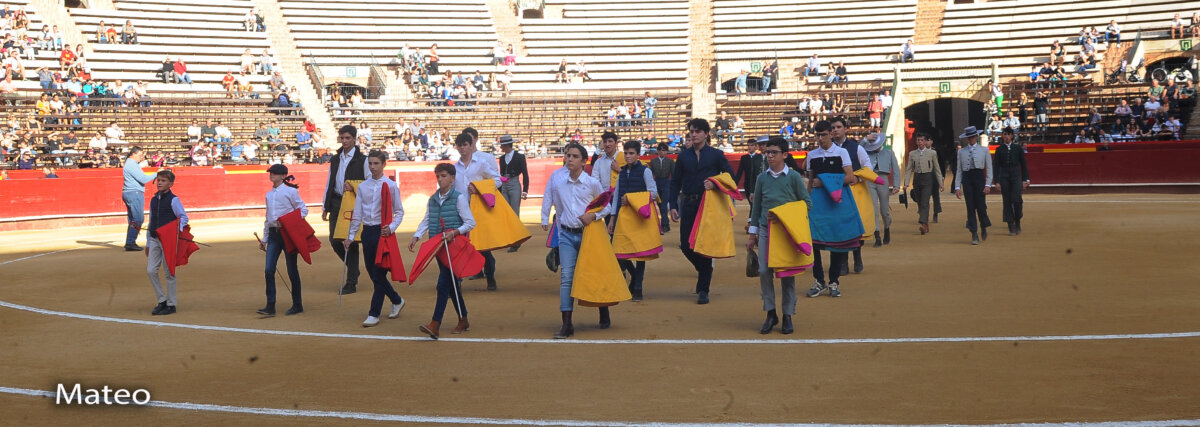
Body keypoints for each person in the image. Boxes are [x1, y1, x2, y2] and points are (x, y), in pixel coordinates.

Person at [541, 142, 609, 339]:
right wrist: (560, 234)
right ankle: (567, 324)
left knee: (594, 274)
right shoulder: (560, 184)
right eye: (567, 155)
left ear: (583, 161)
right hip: (568, 236)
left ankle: (603, 309)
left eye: (574, 156)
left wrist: (594, 217)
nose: (569, 159)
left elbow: (606, 206)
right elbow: (560, 212)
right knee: (566, 278)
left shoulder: (592, 183)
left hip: (589, 235)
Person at [747, 137, 810, 334]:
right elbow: (756, 208)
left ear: (784, 155)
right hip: (766, 229)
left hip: (786, 232)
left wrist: (784, 215)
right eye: (768, 152)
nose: (770, 156)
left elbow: (807, 204)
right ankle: (770, 312)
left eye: (774, 152)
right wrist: (752, 234)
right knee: (764, 271)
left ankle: (788, 314)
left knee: (786, 274)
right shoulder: (762, 178)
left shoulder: (793, 177)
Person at [668, 118, 733, 304]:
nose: (693, 134)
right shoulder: (683, 156)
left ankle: (703, 289)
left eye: (697, 131)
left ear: (706, 134)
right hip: (688, 203)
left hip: (708, 206)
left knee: (703, 246)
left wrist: (715, 182)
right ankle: (705, 271)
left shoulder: (716, 155)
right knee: (686, 245)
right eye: (691, 131)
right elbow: (675, 182)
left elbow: (731, 176)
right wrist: (673, 205)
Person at [412, 163, 476, 339]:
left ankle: (435, 324)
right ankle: (463, 319)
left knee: (443, 285)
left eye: (444, 176)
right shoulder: (433, 199)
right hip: (439, 248)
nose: (440, 179)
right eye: (438, 176)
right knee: (452, 285)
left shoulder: (459, 198)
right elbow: (427, 220)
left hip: (454, 248)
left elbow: (470, 222)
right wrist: (417, 236)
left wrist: (454, 233)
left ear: (452, 178)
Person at [346, 150, 407, 327]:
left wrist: (392, 227)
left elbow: (399, 211)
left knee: (379, 272)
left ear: (383, 164)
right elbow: (357, 213)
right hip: (367, 232)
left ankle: (374, 313)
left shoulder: (391, 185)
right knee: (373, 273)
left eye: (376, 164)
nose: (372, 167)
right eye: (370, 164)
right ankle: (396, 300)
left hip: (383, 233)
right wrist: (351, 236)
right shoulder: (364, 186)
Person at [804, 121, 860, 298]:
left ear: (831, 134)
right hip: (818, 203)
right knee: (814, 243)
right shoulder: (812, 155)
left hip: (837, 202)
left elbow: (850, 177)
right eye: (817, 135)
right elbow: (811, 181)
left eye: (823, 135)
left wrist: (825, 181)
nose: (820, 139)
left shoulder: (841, 152)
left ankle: (834, 281)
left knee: (837, 242)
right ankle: (819, 280)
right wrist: (806, 201)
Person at [605, 140, 658, 301]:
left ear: (638, 154)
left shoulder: (645, 171)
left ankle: (638, 287)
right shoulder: (621, 174)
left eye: (631, 153)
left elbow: (653, 193)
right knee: (619, 251)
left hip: (640, 217)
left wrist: (631, 199)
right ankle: (635, 277)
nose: (628, 156)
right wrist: (612, 219)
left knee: (640, 253)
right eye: (626, 153)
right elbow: (616, 199)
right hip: (623, 216)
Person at [322, 125, 370, 295]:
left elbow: (369, 183)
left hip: (352, 203)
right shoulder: (335, 159)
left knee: (351, 242)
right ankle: (353, 268)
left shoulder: (363, 160)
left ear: (354, 139)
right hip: (336, 202)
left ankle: (351, 282)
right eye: (342, 138)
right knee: (334, 239)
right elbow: (330, 182)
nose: (344, 141)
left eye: (347, 138)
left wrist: (355, 186)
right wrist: (325, 206)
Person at [454, 128, 503, 290]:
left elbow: (498, 180)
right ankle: (458, 282)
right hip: (461, 212)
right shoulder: (455, 168)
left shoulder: (481, 164)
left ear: (470, 145)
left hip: (479, 211)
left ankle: (490, 278)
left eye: (465, 145)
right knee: (461, 247)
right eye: (459, 145)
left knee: (483, 247)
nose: (462, 148)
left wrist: (480, 189)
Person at [257, 164, 306, 316]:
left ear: (283, 176)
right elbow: (268, 218)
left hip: (288, 234)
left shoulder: (291, 192)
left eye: (275, 173)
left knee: (292, 270)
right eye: (270, 172)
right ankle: (270, 305)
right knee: (268, 269)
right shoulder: (268, 195)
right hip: (273, 235)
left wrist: (288, 222)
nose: (271, 175)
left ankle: (297, 304)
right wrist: (264, 238)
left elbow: (303, 210)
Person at [828, 117, 872, 274]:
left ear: (845, 128)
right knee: (840, 227)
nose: (835, 130)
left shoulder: (856, 148)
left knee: (856, 225)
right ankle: (843, 262)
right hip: (834, 192)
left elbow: (868, 167)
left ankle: (857, 256)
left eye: (839, 127)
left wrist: (858, 178)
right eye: (833, 127)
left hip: (855, 191)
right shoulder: (828, 148)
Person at [146, 170, 188, 315]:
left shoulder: (174, 200)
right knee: (151, 270)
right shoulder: (153, 200)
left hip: (169, 241)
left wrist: (175, 231)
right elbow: (151, 220)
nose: (159, 183)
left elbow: (183, 217)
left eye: (163, 181)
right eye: (158, 180)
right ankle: (162, 300)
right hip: (154, 238)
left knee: (169, 272)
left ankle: (171, 304)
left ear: (170, 184)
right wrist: (147, 243)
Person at [953, 126, 993, 245]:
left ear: (976, 137)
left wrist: (988, 184)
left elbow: (989, 169)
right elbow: (959, 170)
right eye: (968, 137)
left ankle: (983, 226)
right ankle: (974, 233)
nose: (970, 139)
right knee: (970, 207)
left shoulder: (984, 150)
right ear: (966, 139)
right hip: (967, 179)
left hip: (979, 178)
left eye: (972, 137)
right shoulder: (961, 152)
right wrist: (957, 187)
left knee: (981, 206)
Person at [902, 132, 943, 235]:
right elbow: (908, 169)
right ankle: (925, 223)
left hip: (928, 178)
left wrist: (940, 183)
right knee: (920, 202)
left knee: (925, 201)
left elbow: (937, 169)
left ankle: (924, 223)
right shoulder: (912, 154)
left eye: (921, 140)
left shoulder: (932, 153)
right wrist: (906, 183)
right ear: (916, 142)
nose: (920, 142)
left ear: (925, 142)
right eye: (918, 140)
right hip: (917, 179)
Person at [992, 128, 1030, 236]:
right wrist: (997, 181)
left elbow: (1023, 165)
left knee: (1017, 199)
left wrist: (1025, 180)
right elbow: (996, 166)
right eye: (1005, 134)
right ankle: (1011, 225)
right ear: (1002, 136)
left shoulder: (1017, 148)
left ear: (1012, 136)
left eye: (1008, 134)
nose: (1007, 136)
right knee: (1007, 201)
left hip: (1016, 175)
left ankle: (1017, 220)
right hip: (1004, 176)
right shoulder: (999, 149)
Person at [864, 134, 899, 247]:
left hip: (883, 179)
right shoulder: (866, 151)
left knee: (885, 210)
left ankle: (887, 228)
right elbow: (857, 147)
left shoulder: (889, 153)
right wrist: (865, 139)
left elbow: (896, 170)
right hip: (870, 179)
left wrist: (896, 185)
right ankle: (877, 236)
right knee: (873, 209)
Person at [497, 134, 528, 252]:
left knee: (514, 213)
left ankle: (516, 240)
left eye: (502, 145)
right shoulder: (501, 158)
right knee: (506, 213)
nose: (501, 148)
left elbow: (525, 173)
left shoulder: (520, 157)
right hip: (504, 185)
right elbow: (501, 174)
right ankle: (511, 238)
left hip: (515, 183)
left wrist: (525, 190)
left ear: (506, 145)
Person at [122, 147, 157, 251]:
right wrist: (157, 173)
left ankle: (130, 241)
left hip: (129, 192)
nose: (142, 157)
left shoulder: (130, 164)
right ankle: (130, 242)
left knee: (133, 219)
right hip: (134, 192)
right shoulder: (132, 164)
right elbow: (143, 179)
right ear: (133, 154)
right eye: (140, 155)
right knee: (138, 219)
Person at [735, 136, 766, 215]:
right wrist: (734, 184)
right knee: (752, 203)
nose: (749, 147)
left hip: (759, 183)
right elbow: (739, 172)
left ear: (756, 147)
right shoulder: (744, 158)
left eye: (751, 145)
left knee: (755, 204)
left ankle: (751, 221)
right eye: (748, 145)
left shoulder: (760, 157)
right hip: (748, 184)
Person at [648, 142, 674, 233]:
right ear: (658, 151)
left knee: (663, 205)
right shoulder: (653, 161)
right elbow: (650, 174)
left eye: (664, 150)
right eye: (661, 150)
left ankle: (664, 225)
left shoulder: (670, 161)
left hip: (666, 183)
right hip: (657, 183)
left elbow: (673, 174)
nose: (662, 152)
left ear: (666, 151)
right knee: (660, 205)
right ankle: (666, 223)